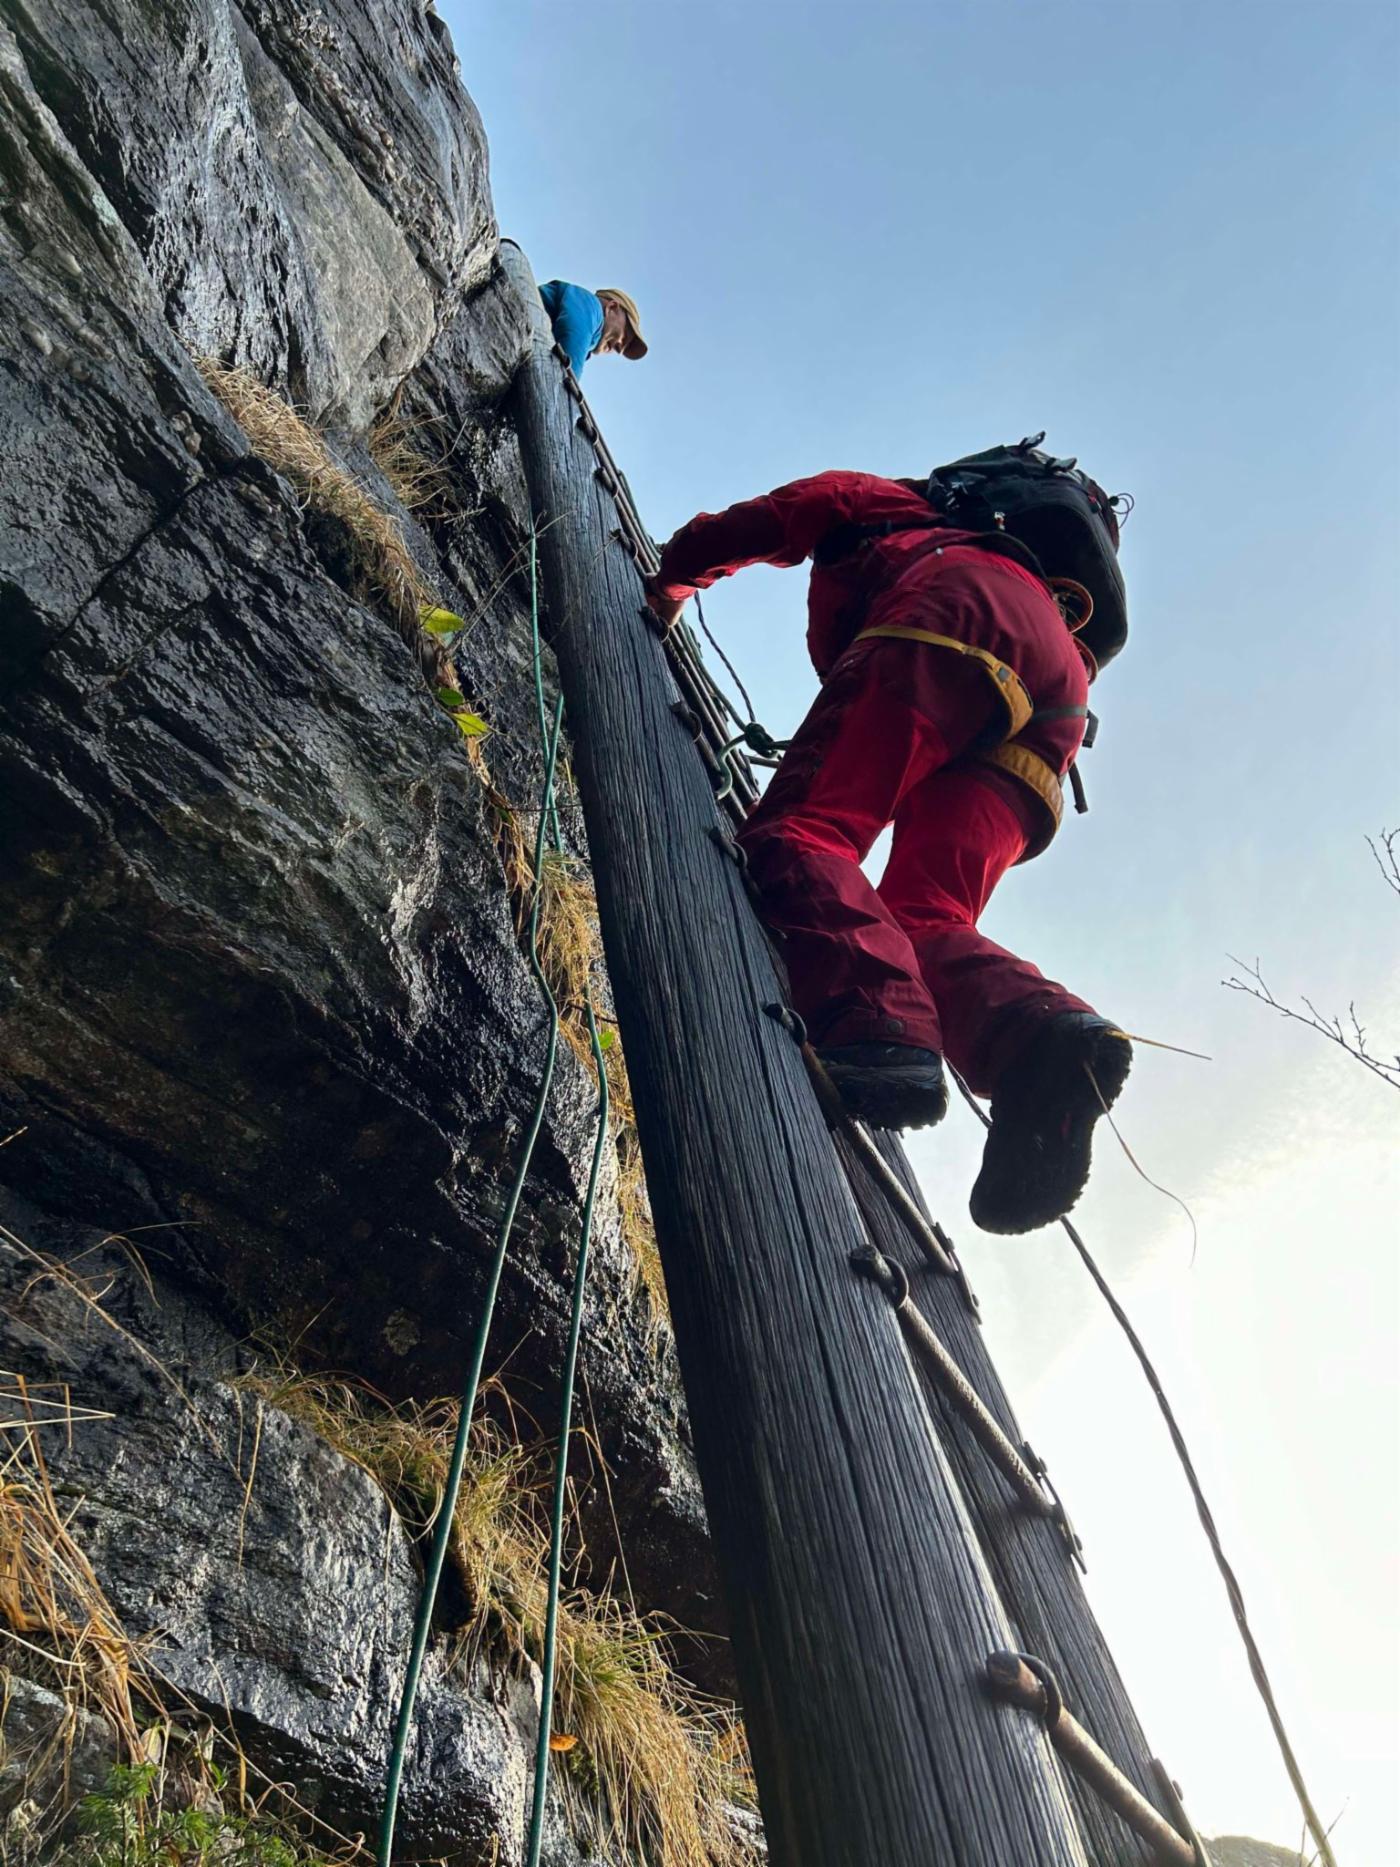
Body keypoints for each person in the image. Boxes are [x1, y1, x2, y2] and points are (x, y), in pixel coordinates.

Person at [644, 456, 1133, 1235]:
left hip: (963, 611)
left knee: (803, 832)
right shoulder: (1038, 586)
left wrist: (672, 579)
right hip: (1058, 703)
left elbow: (786, 513)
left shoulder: (912, 509)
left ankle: (881, 1031)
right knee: (922, 920)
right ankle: (1038, 1037)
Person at [538, 281, 648, 377]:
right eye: (624, 337)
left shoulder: (589, 340)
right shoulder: (591, 305)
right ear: (612, 308)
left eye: (621, 349)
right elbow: (573, 343)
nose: (619, 350)